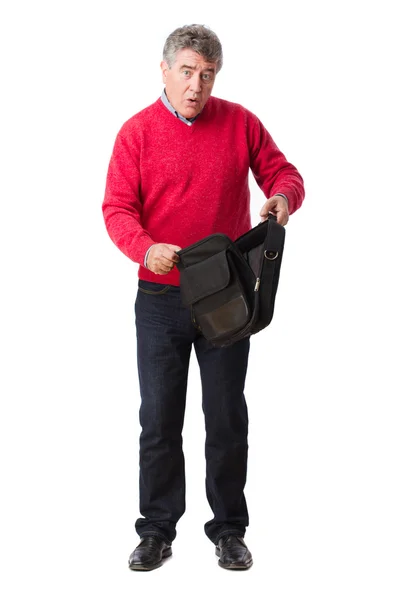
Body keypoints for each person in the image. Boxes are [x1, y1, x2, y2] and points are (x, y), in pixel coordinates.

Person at [102, 24, 305, 571]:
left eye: (208, 75)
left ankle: (229, 530)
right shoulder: (136, 133)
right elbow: (117, 210)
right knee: (160, 419)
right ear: (164, 70)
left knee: (225, 416)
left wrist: (282, 198)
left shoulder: (239, 122)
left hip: (225, 295)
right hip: (161, 297)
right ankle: (157, 529)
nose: (197, 85)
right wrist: (145, 249)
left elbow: (283, 173)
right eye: (188, 71)